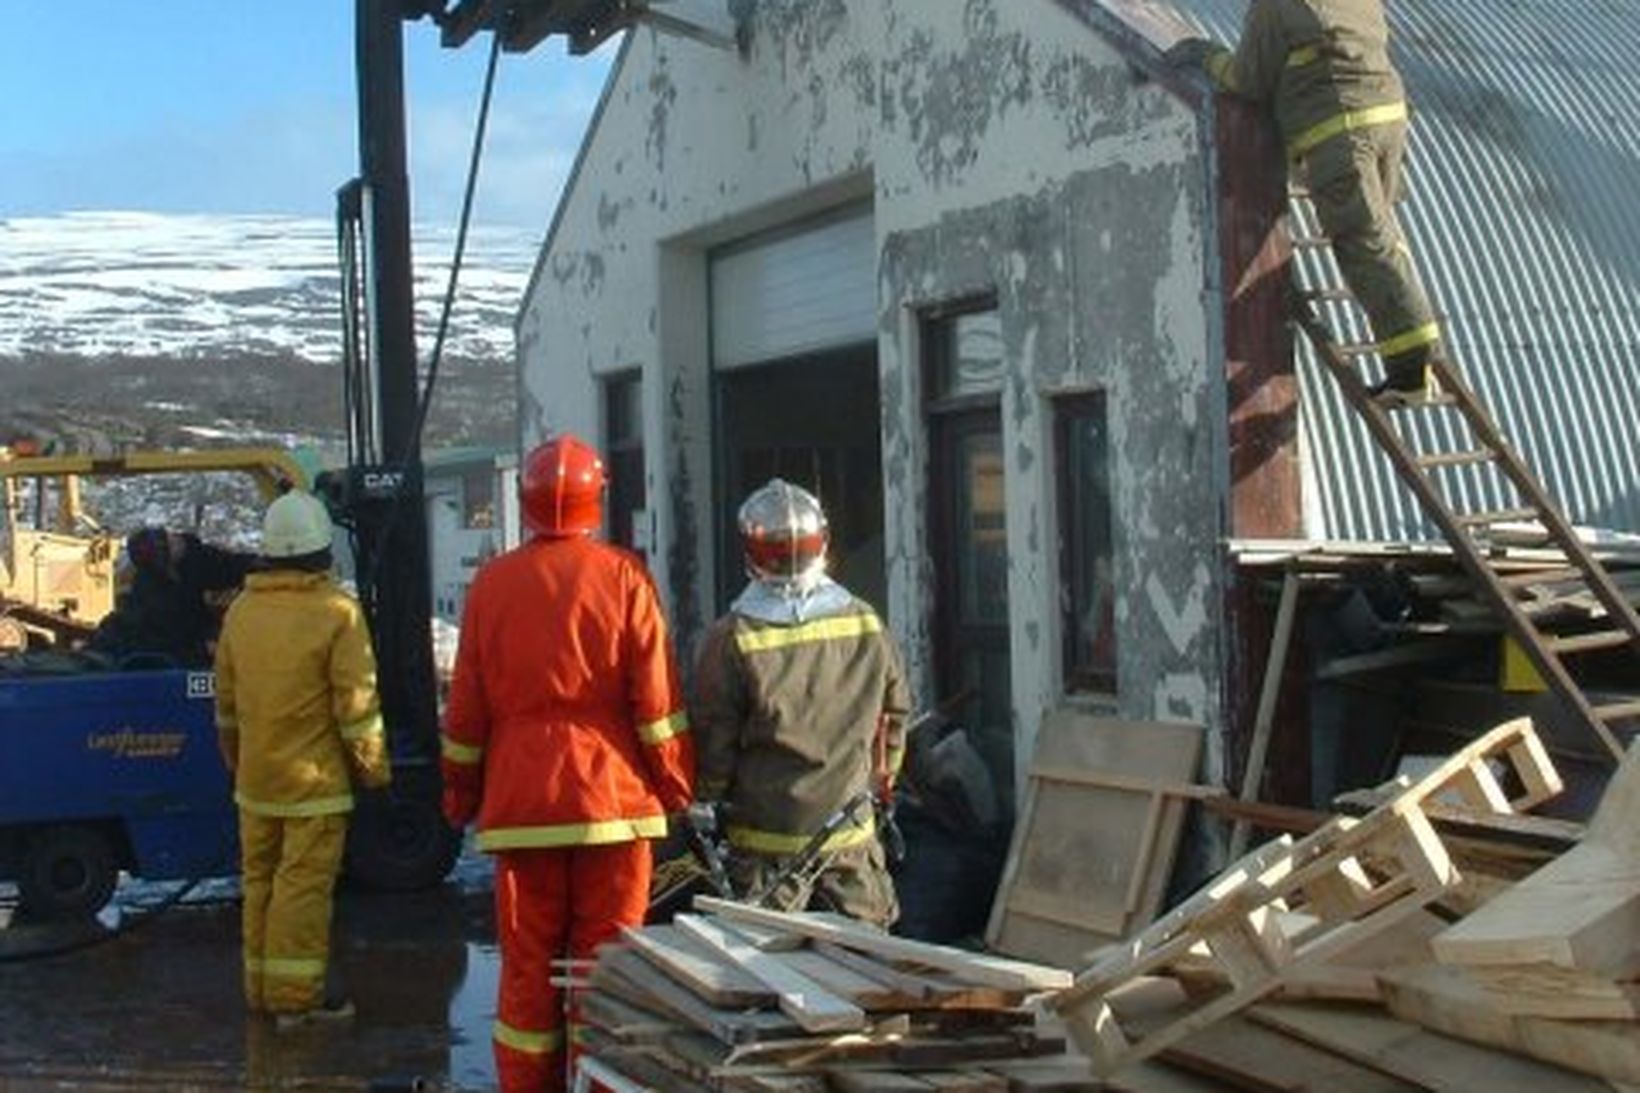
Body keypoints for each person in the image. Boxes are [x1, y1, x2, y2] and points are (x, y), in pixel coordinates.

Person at [440, 434, 693, 1093]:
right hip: (612, 806)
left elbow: (465, 712)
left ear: (525, 502)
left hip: (521, 810)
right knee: (605, 967)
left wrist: (459, 797)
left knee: (527, 973)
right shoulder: (624, 577)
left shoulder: (491, 586)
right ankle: (602, 1083)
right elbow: (658, 706)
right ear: (597, 498)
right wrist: (674, 787)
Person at [1167, 0, 1444, 407]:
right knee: (1383, 234)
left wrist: (1205, 56)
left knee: (1362, 239)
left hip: (1341, 129)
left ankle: (1412, 367)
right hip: (1387, 115)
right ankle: (1418, 350)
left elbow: (1246, 80)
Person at [690, 478, 911, 928]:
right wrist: (879, 786)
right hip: (850, 841)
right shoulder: (866, 623)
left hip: (764, 850)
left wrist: (706, 802)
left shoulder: (732, 637)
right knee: (866, 970)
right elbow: (893, 720)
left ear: (750, 553)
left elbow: (714, 741)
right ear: (823, 544)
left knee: (758, 976)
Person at [214, 490, 390, 1029]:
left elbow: (226, 705)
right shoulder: (337, 612)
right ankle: (295, 1002)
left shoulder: (241, 612)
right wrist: (376, 773)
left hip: (256, 781)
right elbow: (356, 707)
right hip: (314, 785)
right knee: (302, 889)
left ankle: (261, 989)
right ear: (320, 550)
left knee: (260, 883)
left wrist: (240, 763)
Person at [89, 526, 255, 666]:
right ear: (164, 562)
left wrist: (262, 565)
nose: (175, 538)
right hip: (178, 660)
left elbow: (229, 565)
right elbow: (169, 636)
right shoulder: (155, 597)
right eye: (169, 542)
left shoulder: (194, 557)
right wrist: (204, 645)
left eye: (169, 536)